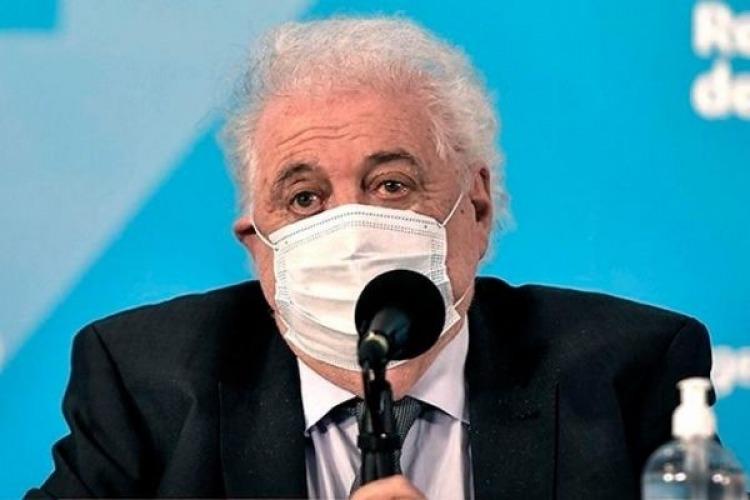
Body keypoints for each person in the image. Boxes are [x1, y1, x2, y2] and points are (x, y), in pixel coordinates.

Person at [28, 16, 713, 499]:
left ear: (476, 209)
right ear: (258, 247)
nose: (351, 228)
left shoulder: (627, 372)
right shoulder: (146, 383)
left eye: (391, 185)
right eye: (304, 198)